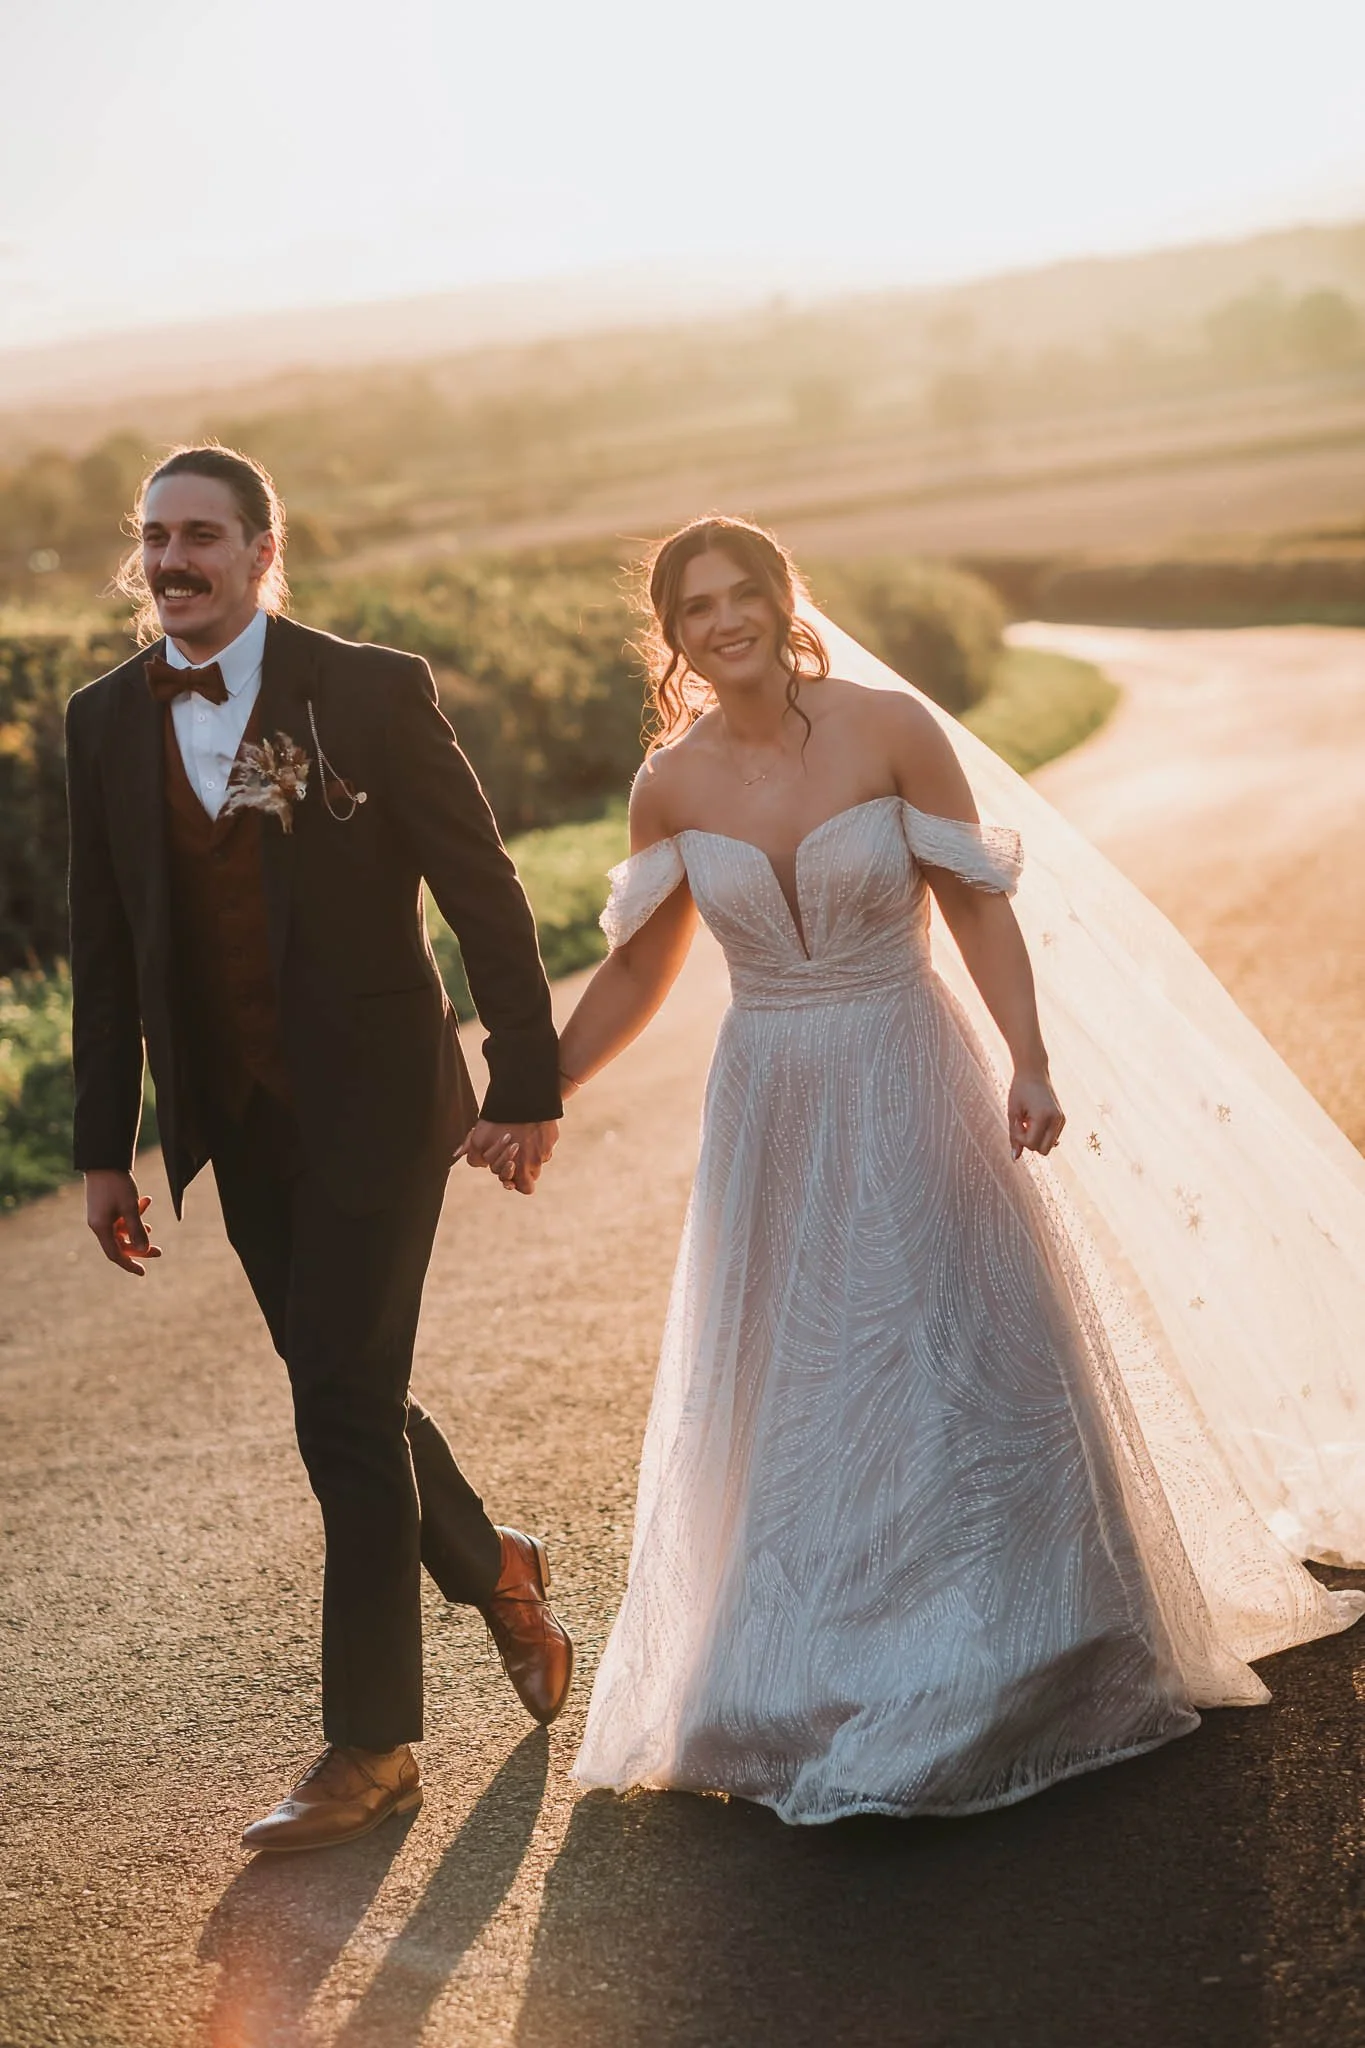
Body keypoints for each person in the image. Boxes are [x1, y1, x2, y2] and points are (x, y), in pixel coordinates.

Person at [558, 515, 1364, 1823]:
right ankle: (801, 1677)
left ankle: (1029, 1646)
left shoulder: (889, 729)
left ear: (779, 597)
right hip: (769, 1103)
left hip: (903, 1062)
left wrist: (1030, 1059)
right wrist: (531, 1092)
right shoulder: (672, 785)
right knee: (801, 1368)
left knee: (950, 1341)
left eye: (740, 594)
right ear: (675, 634)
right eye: (694, 607)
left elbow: (979, 902)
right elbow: (642, 968)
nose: (723, 623)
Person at [67, 444, 573, 1853]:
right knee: (344, 1387)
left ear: (261, 549)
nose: (174, 560)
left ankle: (374, 1750)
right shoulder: (103, 719)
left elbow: (483, 888)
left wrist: (523, 1078)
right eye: (155, 536)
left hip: (379, 1103)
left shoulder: (366, 691)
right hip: (241, 1123)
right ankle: (497, 1564)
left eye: (204, 536)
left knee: (336, 1409)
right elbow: (108, 952)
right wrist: (105, 1144)